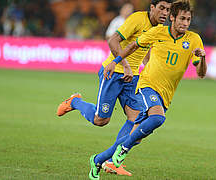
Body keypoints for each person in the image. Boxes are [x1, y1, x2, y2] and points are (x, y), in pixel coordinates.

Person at [88, 1, 206, 176]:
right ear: (173, 18)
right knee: (157, 118)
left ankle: (99, 160)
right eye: (182, 18)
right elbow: (133, 46)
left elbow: (201, 73)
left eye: (188, 20)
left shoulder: (194, 40)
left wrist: (202, 58)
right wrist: (115, 62)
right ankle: (122, 150)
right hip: (146, 86)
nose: (185, 23)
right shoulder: (157, 32)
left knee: (138, 134)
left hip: (166, 94)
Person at [56, 0, 172, 178]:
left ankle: (111, 162)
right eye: (161, 8)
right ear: (152, 8)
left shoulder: (159, 30)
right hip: (114, 73)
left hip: (133, 78)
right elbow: (113, 40)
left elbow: (146, 51)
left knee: (137, 121)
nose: (164, 13)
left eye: (168, 10)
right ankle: (75, 101)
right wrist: (125, 65)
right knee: (100, 120)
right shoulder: (137, 19)